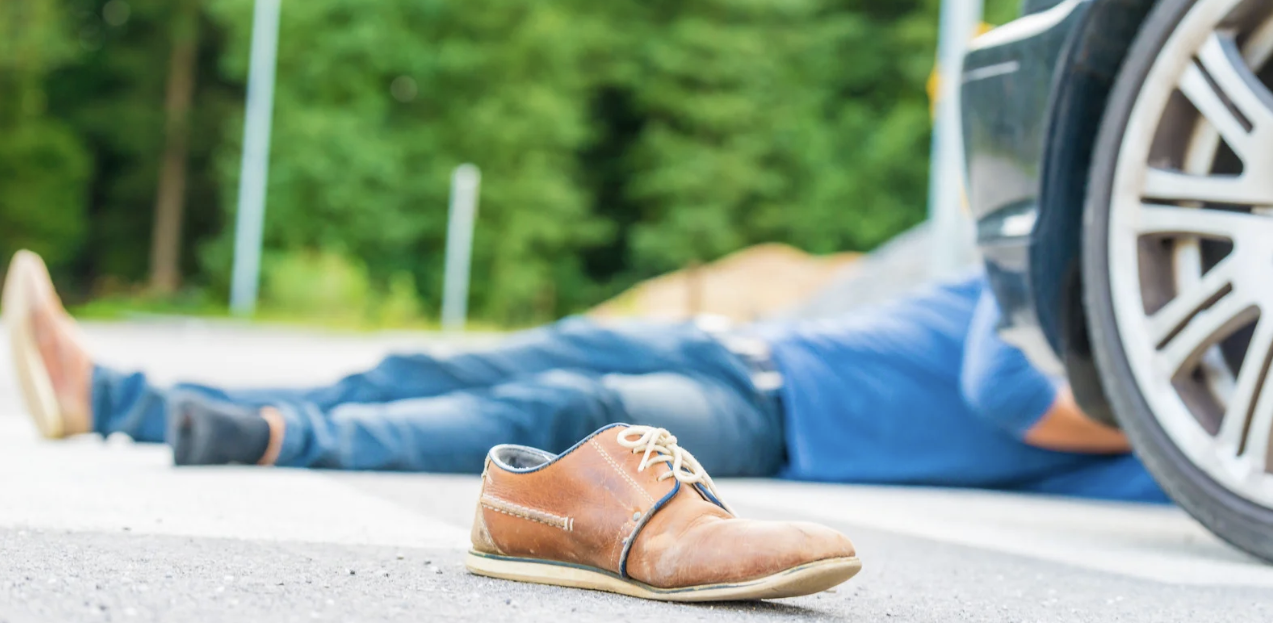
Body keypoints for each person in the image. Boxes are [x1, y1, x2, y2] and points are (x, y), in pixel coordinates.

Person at [1, 250, 1164, 502]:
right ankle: (114, 398)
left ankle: (260, 434)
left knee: (570, 416)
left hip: (767, 420)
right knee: (435, 362)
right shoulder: (1036, 279)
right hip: (721, 345)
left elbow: (1007, 401)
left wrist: (1152, 424)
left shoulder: (1113, 389)